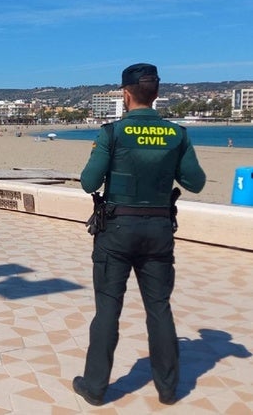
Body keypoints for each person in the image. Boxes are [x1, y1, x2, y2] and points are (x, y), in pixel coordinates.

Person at [73, 63, 206, 406]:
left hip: (116, 231)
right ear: (157, 94)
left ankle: (96, 386)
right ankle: (167, 388)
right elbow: (196, 182)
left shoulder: (112, 133)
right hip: (159, 230)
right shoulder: (177, 134)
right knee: (159, 308)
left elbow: (89, 182)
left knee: (107, 309)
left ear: (125, 94)